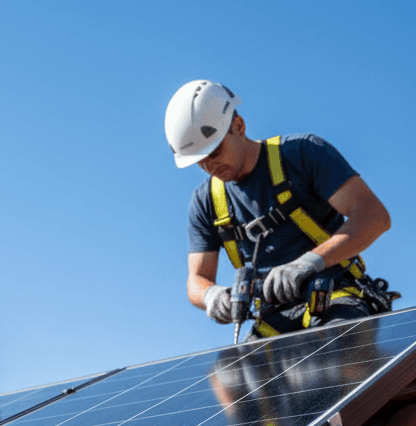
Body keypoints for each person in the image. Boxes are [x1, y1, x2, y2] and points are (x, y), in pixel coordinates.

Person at [164, 80, 395, 338]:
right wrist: (211, 295)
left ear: (238, 127)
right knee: (233, 376)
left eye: (215, 151)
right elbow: (196, 280)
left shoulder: (302, 154)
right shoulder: (206, 202)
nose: (209, 166)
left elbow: (374, 216)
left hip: (332, 295)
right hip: (274, 317)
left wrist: (308, 263)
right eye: (199, 161)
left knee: (338, 359)